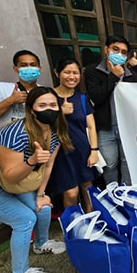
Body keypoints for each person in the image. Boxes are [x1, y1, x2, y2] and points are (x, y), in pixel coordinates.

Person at [0, 86, 73, 273]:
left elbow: (48, 166)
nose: (48, 108)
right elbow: (10, 175)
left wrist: (41, 194)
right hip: (2, 185)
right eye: (42, 105)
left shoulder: (54, 132)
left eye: (52, 104)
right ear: (31, 109)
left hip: (18, 184)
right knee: (25, 220)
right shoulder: (14, 134)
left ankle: (40, 243)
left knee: (43, 207)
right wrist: (31, 160)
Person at [85, 35, 137, 186]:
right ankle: (112, 195)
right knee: (109, 165)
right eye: (115, 49)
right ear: (106, 49)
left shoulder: (132, 76)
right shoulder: (93, 71)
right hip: (105, 129)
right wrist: (114, 77)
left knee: (127, 163)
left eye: (123, 52)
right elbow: (97, 97)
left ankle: (127, 194)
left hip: (127, 129)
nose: (119, 54)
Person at [48, 58, 98, 213]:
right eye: (67, 72)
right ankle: (73, 225)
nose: (72, 76)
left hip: (82, 150)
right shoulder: (48, 97)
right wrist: (59, 113)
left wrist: (94, 150)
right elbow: (39, 123)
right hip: (60, 152)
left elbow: (91, 126)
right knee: (70, 193)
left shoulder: (82, 98)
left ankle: (91, 222)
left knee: (88, 188)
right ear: (57, 73)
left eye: (75, 73)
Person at [0, 50, 42, 130]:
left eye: (33, 65)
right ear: (16, 69)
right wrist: (11, 100)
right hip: (6, 140)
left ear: (39, 68)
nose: (29, 68)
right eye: (24, 65)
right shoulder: (1, 88)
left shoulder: (44, 91)